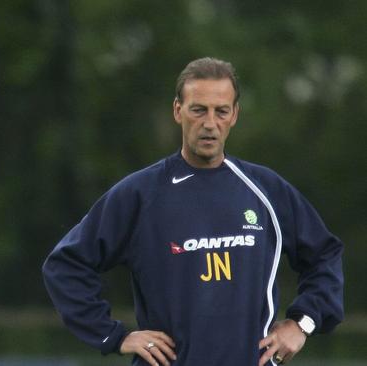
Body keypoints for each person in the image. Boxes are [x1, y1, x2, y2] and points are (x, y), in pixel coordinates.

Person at [42, 57, 344, 366]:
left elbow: (324, 254)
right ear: (178, 111)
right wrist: (114, 336)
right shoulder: (141, 195)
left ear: (234, 115)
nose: (210, 123)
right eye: (198, 109)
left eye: (221, 111)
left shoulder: (265, 190)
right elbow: (65, 265)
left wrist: (302, 323)